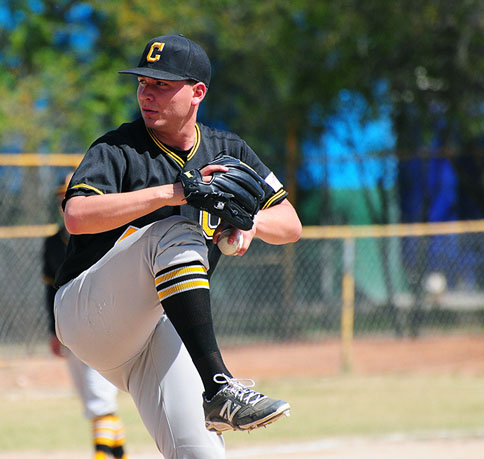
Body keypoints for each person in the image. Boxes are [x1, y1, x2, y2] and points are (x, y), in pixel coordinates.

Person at [53, 34, 302, 459]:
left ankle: (215, 399)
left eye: (161, 85)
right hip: (89, 309)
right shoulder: (118, 147)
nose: (146, 93)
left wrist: (248, 224)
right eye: (142, 82)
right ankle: (219, 386)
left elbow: (291, 225)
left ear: (197, 92)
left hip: (157, 333)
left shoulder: (228, 150)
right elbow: (76, 215)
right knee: (177, 232)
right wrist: (171, 194)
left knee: (201, 453)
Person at [42, 174, 127, 459]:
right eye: (61, 198)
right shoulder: (54, 242)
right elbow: (49, 288)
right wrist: (53, 330)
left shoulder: (104, 234)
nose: (64, 203)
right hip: (69, 324)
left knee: (99, 399)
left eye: (70, 197)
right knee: (95, 404)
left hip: (100, 324)